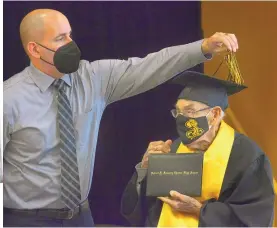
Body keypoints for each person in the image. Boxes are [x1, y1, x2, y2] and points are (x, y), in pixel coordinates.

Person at [3, 8, 239, 227]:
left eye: (70, 35)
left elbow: (150, 66)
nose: (70, 44)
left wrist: (204, 48)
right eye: (60, 38)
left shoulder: (93, 78)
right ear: (34, 49)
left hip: (82, 216)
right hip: (25, 219)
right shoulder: (8, 99)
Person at [121, 70, 275, 227]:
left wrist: (200, 210)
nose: (182, 119)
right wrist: (144, 170)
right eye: (178, 112)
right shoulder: (173, 149)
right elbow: (143, 210)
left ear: (214, 114)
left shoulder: (247, 157)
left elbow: (256, 219)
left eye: (190, 111)